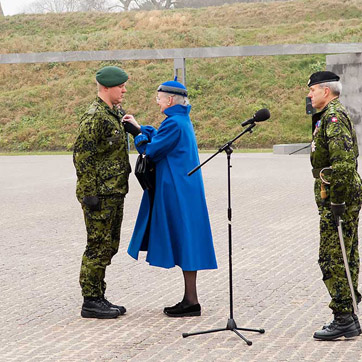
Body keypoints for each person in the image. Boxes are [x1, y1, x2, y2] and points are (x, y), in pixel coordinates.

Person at [123, 78, 218, 317]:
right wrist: (141, 129)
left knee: (184, 239)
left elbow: (152, 150)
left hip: (176, 190)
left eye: (159, 97)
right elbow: (161, 139)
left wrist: (138, 134)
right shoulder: (180, 120)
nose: (157, 101)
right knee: (187, 240)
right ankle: (190, 299)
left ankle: (191, 301)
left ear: (170, 99)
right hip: (185, 189)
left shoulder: (173, 123)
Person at [73, 66, 131, 319]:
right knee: (97, 246)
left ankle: (100, 296)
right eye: (121, 86)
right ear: (106, 87)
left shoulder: (113, 113)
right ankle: (91, 301)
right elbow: (82, 157)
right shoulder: (95, 117)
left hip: (114, 192)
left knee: (109, 246)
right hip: (100, 195)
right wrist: (89, 195)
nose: (124, 90)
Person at [308, 71, 362, 340]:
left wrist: (337, 200)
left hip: (339, 197)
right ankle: (349, 314)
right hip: (340, 195)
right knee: (347, 254)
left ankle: (343, 317)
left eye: (313, 90)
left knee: (333, 256)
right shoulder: (330, 115)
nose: (309, 95)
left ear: (325, 91)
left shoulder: (332, 117)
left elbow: (342, 163)